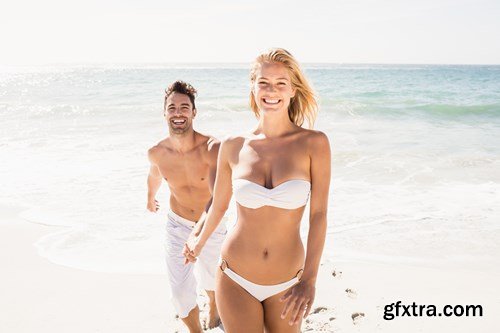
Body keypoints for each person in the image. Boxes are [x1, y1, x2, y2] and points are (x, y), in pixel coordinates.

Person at [184, 48, 331, 332]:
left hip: (288, 280)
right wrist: (198, 243)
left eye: (280, 83)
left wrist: (309, 280)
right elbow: (219, 205)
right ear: (253, 87)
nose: (271, 90)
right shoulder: (233, 145)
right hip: (234, 276)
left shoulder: (314, 144)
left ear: (292, 90)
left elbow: (319, 215)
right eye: (263, 82)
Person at [147, 80, 227, 332]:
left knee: (213, 278)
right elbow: (155, 175)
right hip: (177, 224)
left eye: (184, 107)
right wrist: (150, 197)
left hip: (212, 224)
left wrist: (198, 234)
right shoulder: (157, 152)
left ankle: (214, 311)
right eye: (172, 108)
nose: (178, 113)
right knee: (180, 292)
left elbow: (219, 197)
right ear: (164, 113)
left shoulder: (212, 148)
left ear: (194, 112)